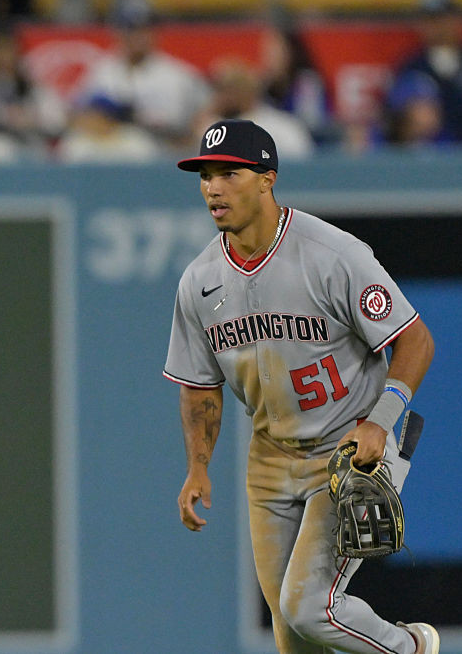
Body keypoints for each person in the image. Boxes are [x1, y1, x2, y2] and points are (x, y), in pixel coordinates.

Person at [163, 119, 439, 654]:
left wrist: (381, 421)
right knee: (292, 635)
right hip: (269, 459)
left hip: (349, 448)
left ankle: (412, 648)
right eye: (205, 176)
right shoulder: (199, 281)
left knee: (310, 607)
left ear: (267, 178)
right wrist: (197, 466)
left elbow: (416, 341)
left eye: (229, 174)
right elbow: (199, 386)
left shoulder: (331, 254)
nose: (213, 188)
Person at [79, 0, 209, 149]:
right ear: (117, 33)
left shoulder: (179, 75)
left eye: (145, 29)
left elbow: (202, 116)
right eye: (131, 30)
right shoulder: (101, 72)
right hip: (110, 147)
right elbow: (79, 114)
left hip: (164, 148)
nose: (139, 36)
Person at [388, 0, 462, 144]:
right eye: (430, 19)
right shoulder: (411, 66)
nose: (437, 26)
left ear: (456, 20)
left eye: (442, 18)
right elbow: (397, 124)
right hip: (430, 152)